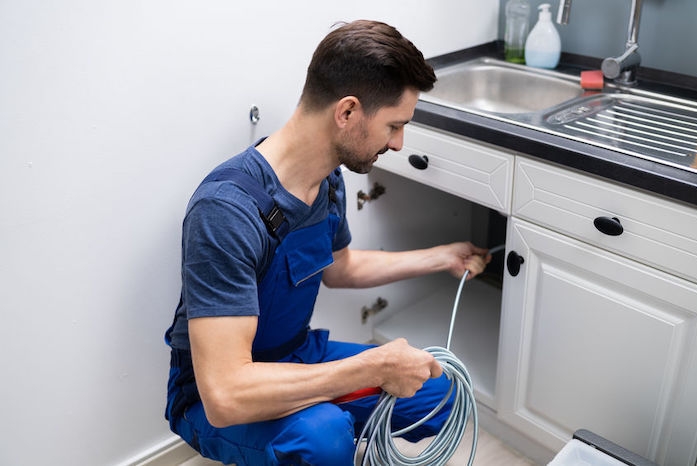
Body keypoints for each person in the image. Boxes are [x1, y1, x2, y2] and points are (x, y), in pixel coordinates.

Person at [165, 19, 491, 466]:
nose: (399, 144)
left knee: (437, 390)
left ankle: (315, 433)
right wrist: (369, 370)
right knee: (323, 437)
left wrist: (441, 257)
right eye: (394, 126)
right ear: (348, 112)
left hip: (297, 355)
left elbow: (341, 268)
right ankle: (315, 438)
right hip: (217, 396)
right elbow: (225, 395)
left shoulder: (328, 180)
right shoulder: (226, 212)